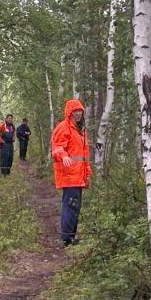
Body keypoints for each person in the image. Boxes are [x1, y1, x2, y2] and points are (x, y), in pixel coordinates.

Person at [51, 98, 91, 246]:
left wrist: (87, 175)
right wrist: (63, 156)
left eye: (80, 111)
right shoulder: (63, 128)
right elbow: (57, 148)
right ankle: (67, 239)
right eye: (75, 111)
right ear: (69, 112)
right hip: (69, 175)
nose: (78, 114)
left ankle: (71, 236)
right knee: (70, 205)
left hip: (78, 176)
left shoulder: (81, 131)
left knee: (75, 206)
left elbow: (84, 156)